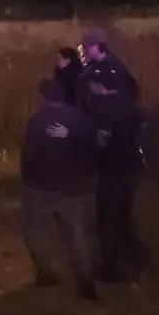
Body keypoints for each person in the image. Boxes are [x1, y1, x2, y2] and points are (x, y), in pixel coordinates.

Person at [77, 28, 148, 283]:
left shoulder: (108, 104)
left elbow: (98, 134)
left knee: (107, 217)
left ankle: (113, 269)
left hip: (113, 167)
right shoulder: (132, 110)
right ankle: (139, 260)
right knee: (122, 215)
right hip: (130, 167)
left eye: (87, 47)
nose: (85, 51)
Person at [21, 79, 99, 300]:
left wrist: (27, 179)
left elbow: (29, 155)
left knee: (34, 230)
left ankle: (46, 274)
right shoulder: (79, 119)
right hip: (71, 189)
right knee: (75, 236)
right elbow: (92, 148)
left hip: (41, 188)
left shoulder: (36, 121)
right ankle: (86, 284)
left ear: (44, 98)